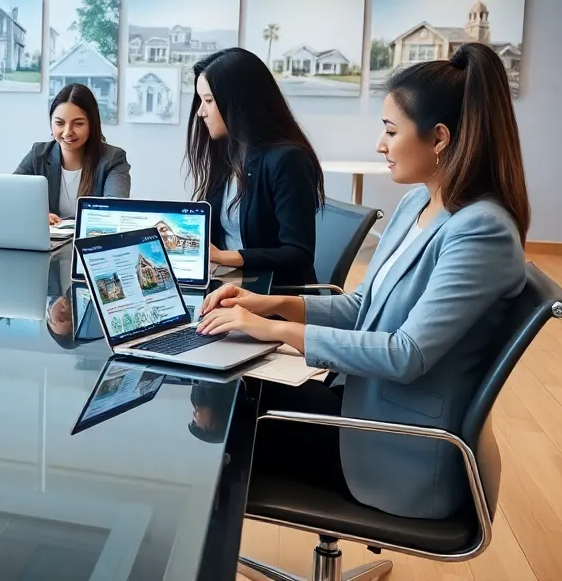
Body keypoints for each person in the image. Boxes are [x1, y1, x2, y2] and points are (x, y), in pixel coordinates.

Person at [197, 42, 529, 520]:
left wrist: (280, 332)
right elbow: (361, 308)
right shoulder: (419, 203)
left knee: (220, 430)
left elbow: (406, 353)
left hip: (399, 446)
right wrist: (270, 305)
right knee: (225, 381)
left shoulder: (482, 231)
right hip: (361, 403)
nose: (380, 145)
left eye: (390, 131)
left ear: (439, 138)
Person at [187, 48, 324, 287]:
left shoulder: (288, 160)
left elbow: (298, 254)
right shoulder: (229, 154)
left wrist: (224, 257)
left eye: (208, 101)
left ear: (239, 102)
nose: (201, 112)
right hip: (230, 285)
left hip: (272, 294)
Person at [16, 83, 131, 225]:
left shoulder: (113, 159)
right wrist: (36, 215)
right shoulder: (38, 154)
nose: (67, 132)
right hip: (49, 242)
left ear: (92, 124)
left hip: (89, 241)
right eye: (60, 123)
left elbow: (114, 209)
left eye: (78, 124)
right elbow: (11, 196)